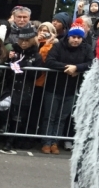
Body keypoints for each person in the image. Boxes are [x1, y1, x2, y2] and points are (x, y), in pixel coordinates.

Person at [40, 19, 93, 153]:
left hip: (71, 89)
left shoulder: (86, 48)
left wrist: (77, 68)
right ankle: (46, 142)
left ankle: (55, 142)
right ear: (69, 36)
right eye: (73, 37)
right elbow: (50, 61)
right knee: (50, 116)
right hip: (54, 86)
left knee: (62, 117)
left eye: (79, 38)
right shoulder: (59, 46)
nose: (76, 40)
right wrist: (67, 68)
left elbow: (91, 63)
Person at [0, 25, 43, 151]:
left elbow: (36, 75)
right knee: (4, 106)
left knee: (17, 116)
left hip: (25, 89)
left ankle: (10, 140)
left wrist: (26, 64)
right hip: (11, 86)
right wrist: (9, 59)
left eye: (27, 40)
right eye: (22, 40)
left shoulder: (36, 55)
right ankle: (2, 127)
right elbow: (5, 69)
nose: (24, 43)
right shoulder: (14, 51)